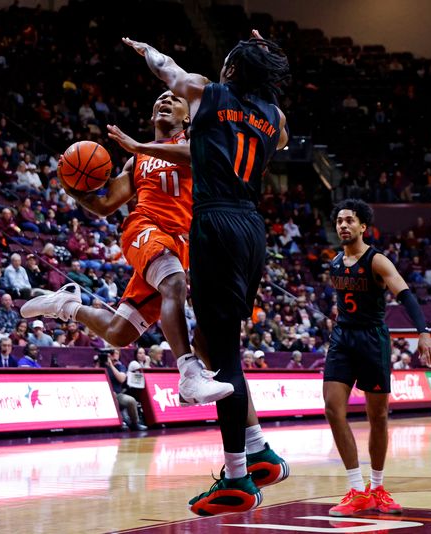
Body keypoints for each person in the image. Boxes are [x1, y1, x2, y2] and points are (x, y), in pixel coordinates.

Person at [122, 30, 291, 514]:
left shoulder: (208, 92)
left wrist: (146, 51)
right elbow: (276, 126)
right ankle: (258, 450)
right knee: (219, 345)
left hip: (214, 220)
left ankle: (237, 478)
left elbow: (167, 69)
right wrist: (261, 61)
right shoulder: (272, 116)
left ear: (233, 70)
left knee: (220, 354)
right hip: (253, 229)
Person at [21, 91, 230, 406]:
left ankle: (66, 306)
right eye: (160, 97)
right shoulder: (138, 160)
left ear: (187, 117)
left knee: (120, 333)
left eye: (175, 99)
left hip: (179, 243)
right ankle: (189, 374)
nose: (166, 99)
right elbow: (105, 205)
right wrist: (71, 188)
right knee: (174, 282)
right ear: (151, 116)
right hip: (143, 230)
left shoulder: (196, 141)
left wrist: (138, 145)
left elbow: (198, 155)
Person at [324, 199, 431, 517]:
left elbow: (405, 295)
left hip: (373, 340)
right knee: (333, 409)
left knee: (379, 417)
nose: (343, 225)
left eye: (350, 220)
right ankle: (356, 490)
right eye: (339, 221)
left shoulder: (378, 261)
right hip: (342, 339)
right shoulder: (334, 263)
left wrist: (424, 332)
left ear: (363, 227)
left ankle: (377, 487)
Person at [99, 348, 147, 431]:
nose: (114, 355)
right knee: (112, 395)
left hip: (118, 394)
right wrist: (99, 362)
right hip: (104, 394)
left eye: (117, 353)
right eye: (112, 353)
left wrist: (111, 365)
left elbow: (121, 379)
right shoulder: (101, 365)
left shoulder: (120, 366)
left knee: (131, 400)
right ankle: (119, 422)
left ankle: (135, 423)